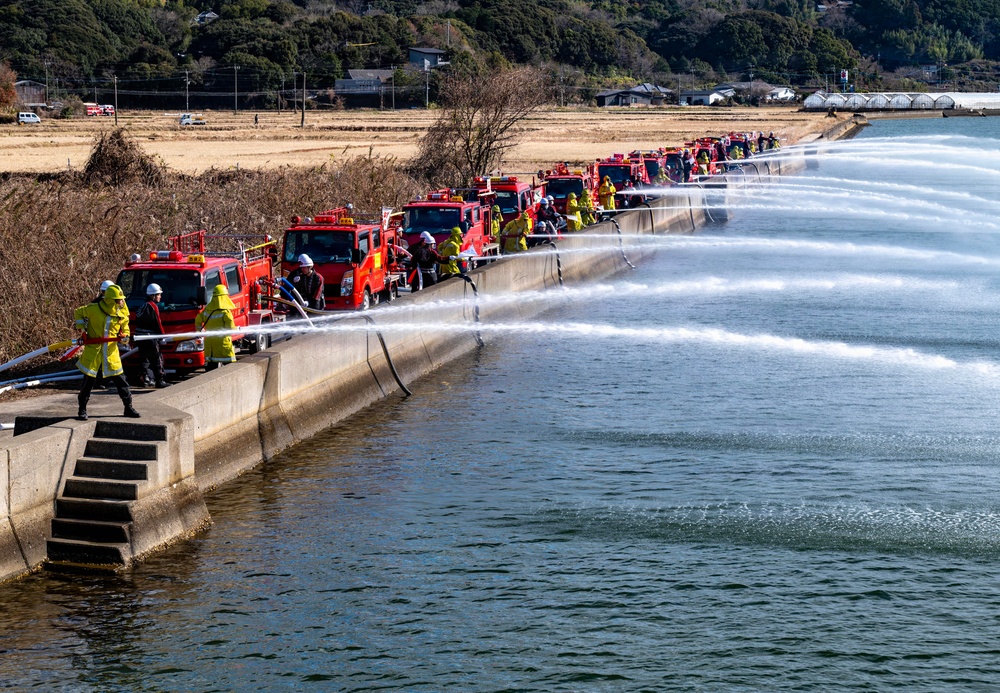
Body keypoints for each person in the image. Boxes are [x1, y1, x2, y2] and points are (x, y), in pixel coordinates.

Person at [74, 284, 140, 420]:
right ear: (110, 300)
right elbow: (78, 313)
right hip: (94, 352)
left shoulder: (122, 313)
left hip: (111, 353)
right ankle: (82, 410)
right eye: (119, 299)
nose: (122, 301)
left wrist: (124, 338)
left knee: (122, 382)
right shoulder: (93, 309)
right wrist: (83, 331)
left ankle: (128, 408)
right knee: (88, 383)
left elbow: (126, 332)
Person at [195, 284, 237, 370]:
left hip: (210, 343)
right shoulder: (226, 312)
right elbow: (230, 329)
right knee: (230, 368)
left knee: (211, 368)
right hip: (223, 343)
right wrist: (237, 329)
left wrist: (199, 330)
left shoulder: (207, 310)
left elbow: (198, 319)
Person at [134, 283, 167, 388]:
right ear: (153, 295)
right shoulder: (153, 306)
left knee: (144, 358)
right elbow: (158, 322)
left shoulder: (143, 306)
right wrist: (162, 336)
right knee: (157, 358)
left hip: (140, 337)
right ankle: (159, 380)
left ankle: (144, 378)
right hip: (149, 337)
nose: (160, 297)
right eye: (158, 294)